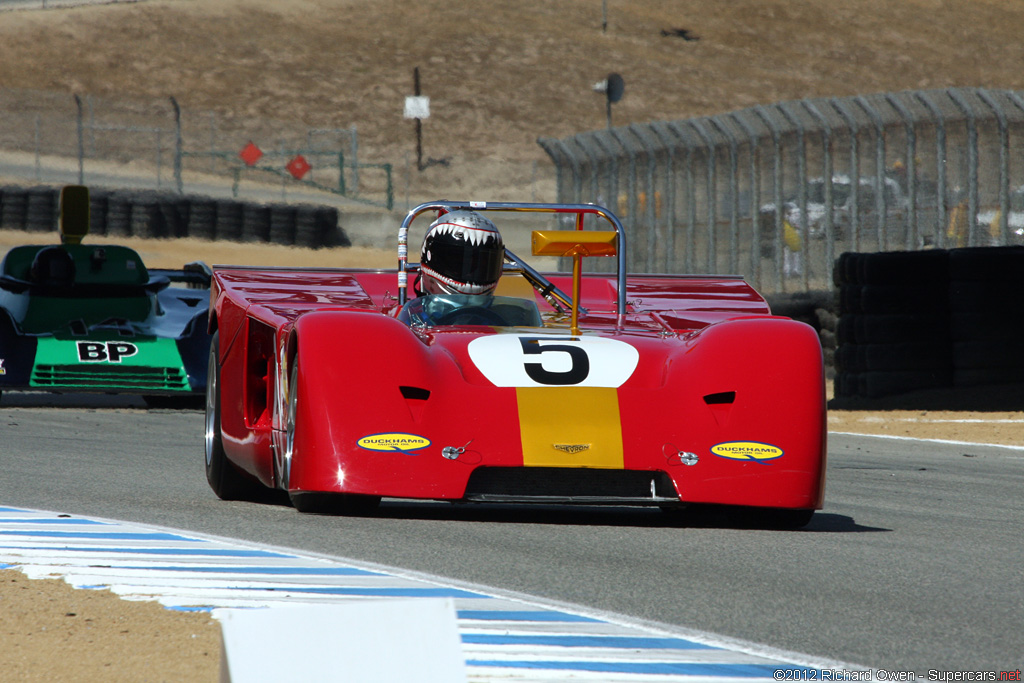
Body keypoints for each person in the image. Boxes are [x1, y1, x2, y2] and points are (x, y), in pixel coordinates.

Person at [399, 209, 541, 327]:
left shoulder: (515, 320)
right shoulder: (411, 320)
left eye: (482, 264)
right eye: (456, 262)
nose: (471, 273)